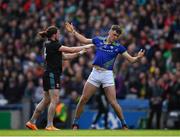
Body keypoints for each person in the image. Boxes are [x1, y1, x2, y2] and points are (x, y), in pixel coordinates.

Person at [65, 22, 145, 129]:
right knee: (83, 99)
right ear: (109, 32)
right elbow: (83, 40)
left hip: (107, 74)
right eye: (114, 34)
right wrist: (74, 32)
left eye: (117, 36)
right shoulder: (99, 40)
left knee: (113, 102)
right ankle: (75, 123)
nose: (115, 37)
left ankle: (124, 124)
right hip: (95, 73)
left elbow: (131, 60)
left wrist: (138, 57)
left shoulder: (118, 47)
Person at [25, 26, 93, 131]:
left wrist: (79, 53)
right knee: (54, 99)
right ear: (54, 35)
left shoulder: (48, 44)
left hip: (48, 74)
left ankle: (31, 122)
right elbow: (70, 49)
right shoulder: (54, 44)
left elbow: (65, 57)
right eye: (58, 33)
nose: (59, 34)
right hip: (52, 74)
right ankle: (49, 125)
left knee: (46, 100)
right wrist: (88, 45)